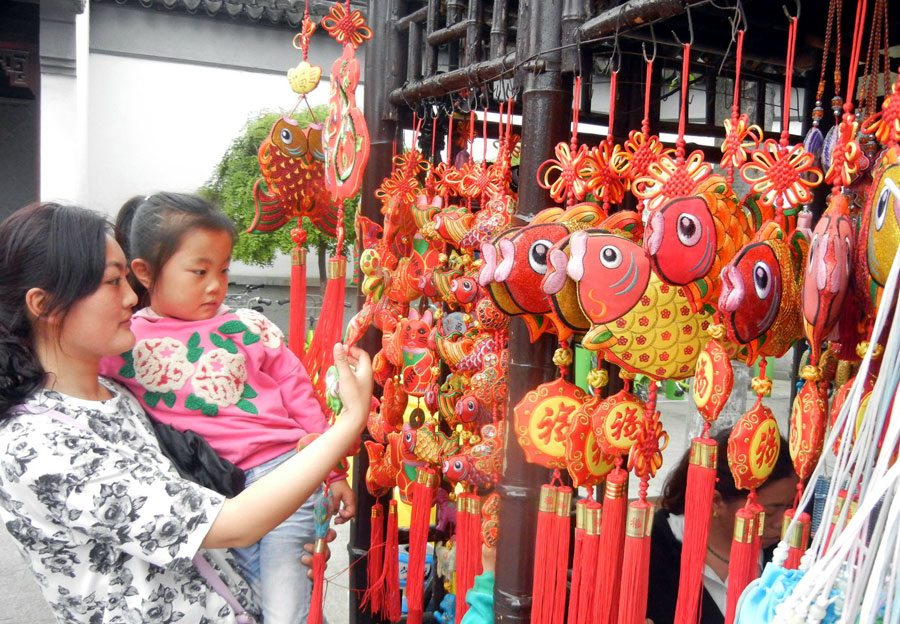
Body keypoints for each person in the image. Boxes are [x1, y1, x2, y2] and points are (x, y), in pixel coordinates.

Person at [0, 202, 373, 623]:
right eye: (112, 281)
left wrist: (284, 537)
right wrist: (347, 425)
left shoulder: (117, 393)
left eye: (125, 277)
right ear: (45, 305)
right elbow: (228, 524)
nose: (129, 296)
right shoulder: (39, 445)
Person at [98, 192, 356, 624]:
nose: (216, 285)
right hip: (211, 495)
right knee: (252, 600)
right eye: (199, 272)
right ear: (143, 272)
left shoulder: (248, 327)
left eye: (222, 270)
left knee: (284, 606)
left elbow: (299, 394)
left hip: (283, 472)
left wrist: (332, 473)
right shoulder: (123, 342)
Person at [645, 428, 798, 624]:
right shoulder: (653, 556)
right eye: (769, 512)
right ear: (716, 501)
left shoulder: (793, 553)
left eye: (790, 507)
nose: (782, 523)